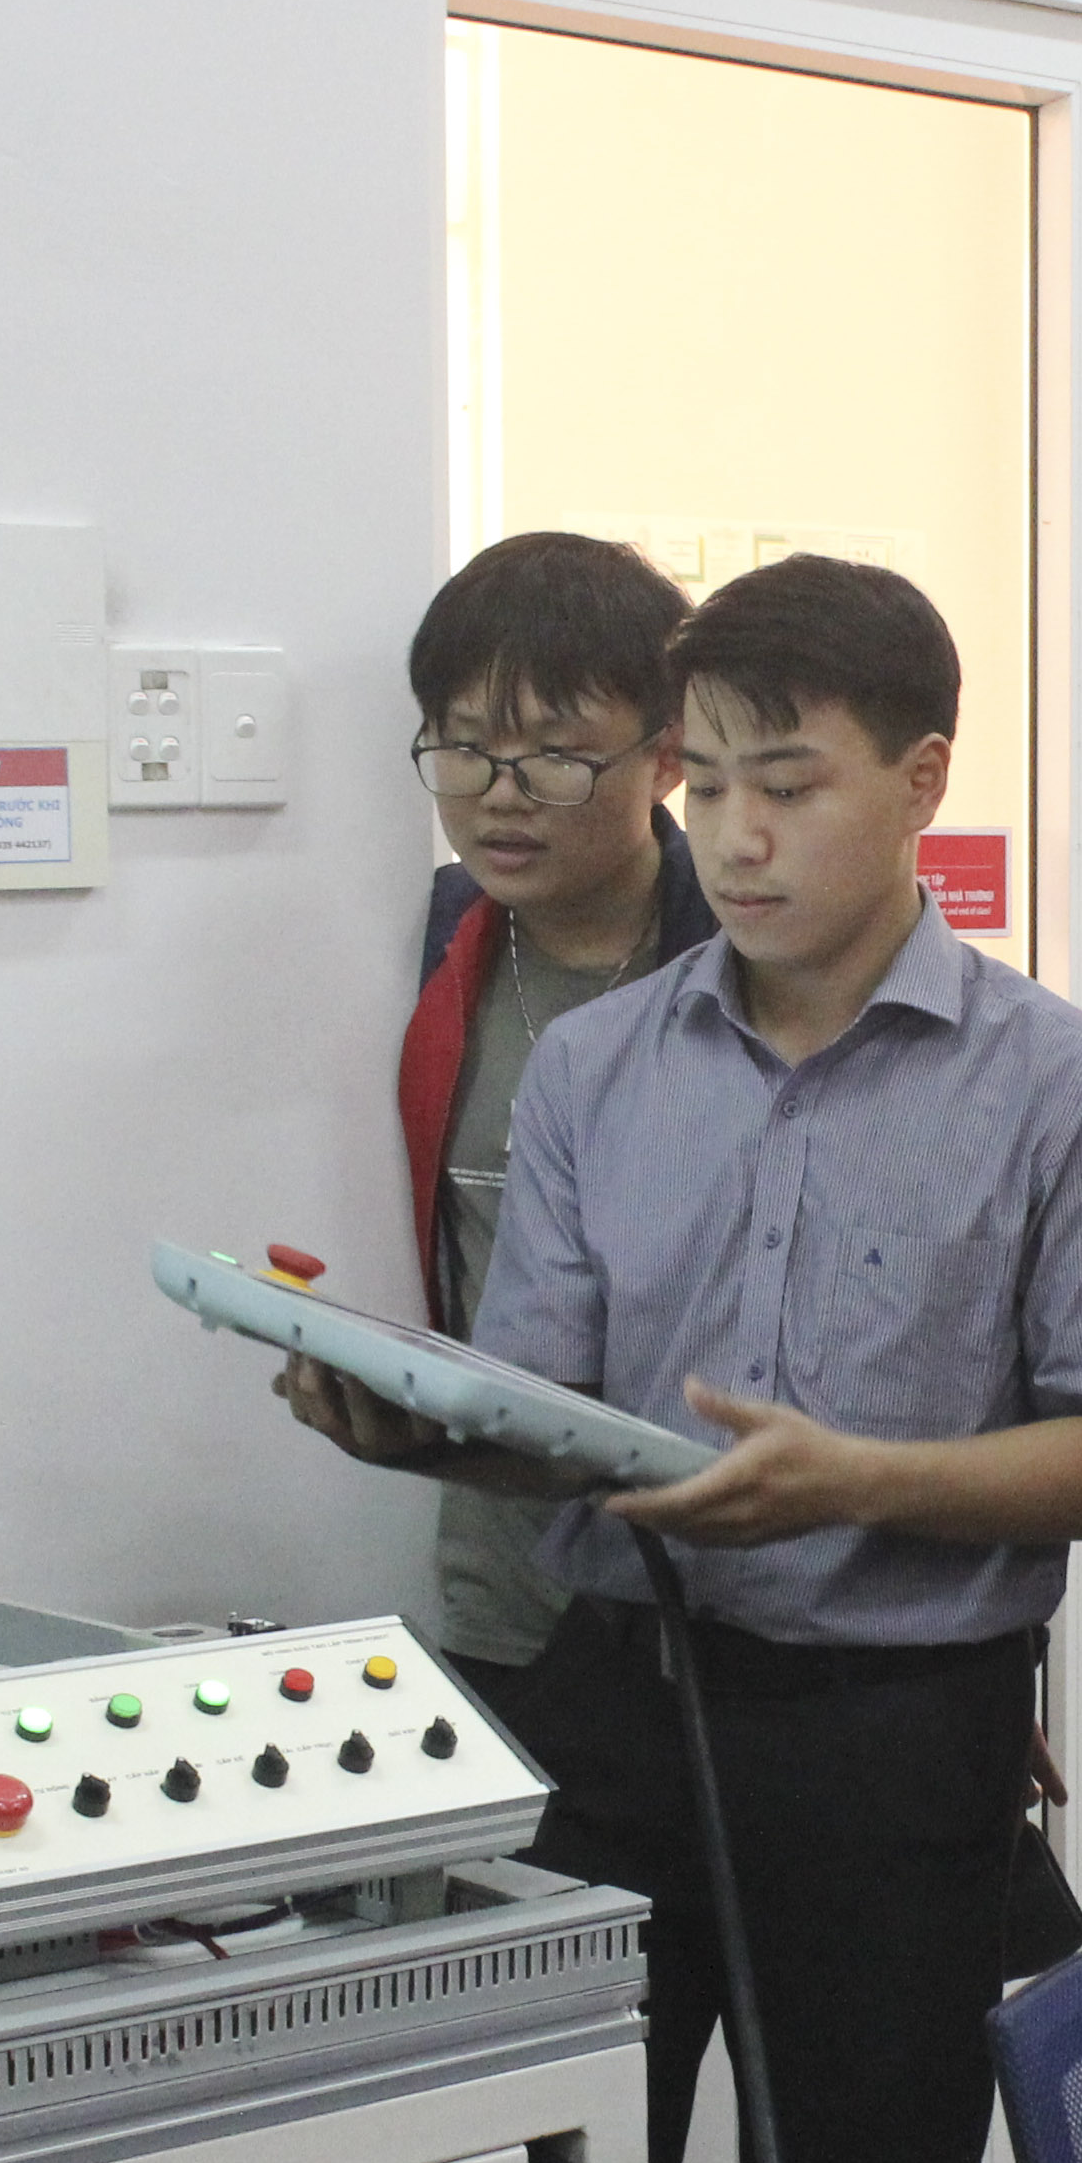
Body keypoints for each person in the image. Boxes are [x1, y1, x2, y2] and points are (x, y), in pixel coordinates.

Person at [282, 553, 1082, 2163]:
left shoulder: (1068, 1087)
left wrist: (854, 1480)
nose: (741, 838)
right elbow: (548, 1417)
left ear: (924, 783)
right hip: (614, 1702)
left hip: (897, 1727)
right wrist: (388, 1405)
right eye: (714, 790)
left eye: (794, 786)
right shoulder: (599, 1071)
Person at [389, 532, 723, 1737]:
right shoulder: (436, 947)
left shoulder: (747, 971)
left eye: (558, 758)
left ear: (668, 760)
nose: (501, 793)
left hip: (711, 1602)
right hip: (499, 1601)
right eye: (467, 746)